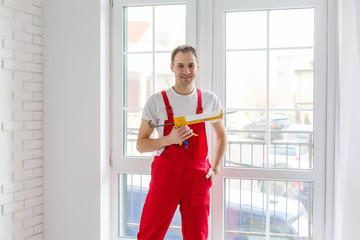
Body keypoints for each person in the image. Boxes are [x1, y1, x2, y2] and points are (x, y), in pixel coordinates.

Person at [136, 45, 227, 240]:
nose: (186, 71)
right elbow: (141, 145)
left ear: (197, 67)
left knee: (197, 236)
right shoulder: (156, 101)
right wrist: (169, 139)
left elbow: (222, 136)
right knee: (148, 235)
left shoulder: (209, 100)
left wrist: (216, 167)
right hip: (165, 177)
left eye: (190, 65)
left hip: (197, 179)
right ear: (172, 68)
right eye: (180, 66)